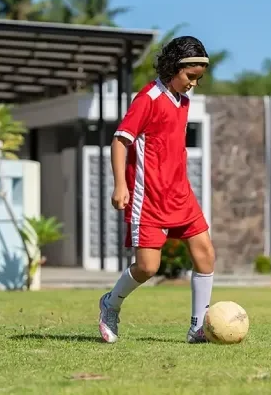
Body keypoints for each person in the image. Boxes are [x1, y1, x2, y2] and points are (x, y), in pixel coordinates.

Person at [98, 36, 215, 344]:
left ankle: (197, 328)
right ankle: (110, 304)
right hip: (148, 199)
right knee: (147, 268)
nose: (193, 84)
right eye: (190, 77)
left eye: (198, 79)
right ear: (172, 67)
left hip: (181, 194)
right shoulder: (148, 98)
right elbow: (120, 141)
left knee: (205, 254)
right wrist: (120, 185)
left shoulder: (184, 100)